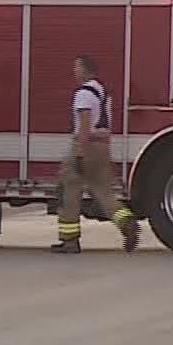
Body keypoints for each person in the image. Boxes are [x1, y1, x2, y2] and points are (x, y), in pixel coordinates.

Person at [53, 54, 141, 254]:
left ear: (85, 69)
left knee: (69, 192)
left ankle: (69, 241)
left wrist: (80, 154)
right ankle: (126, 222)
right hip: (102, 147)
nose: (74, 71)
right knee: (104, 193)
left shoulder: (83, 94)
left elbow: (84, 123)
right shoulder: (102, 92)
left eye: (77, 67)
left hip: (86, 145)